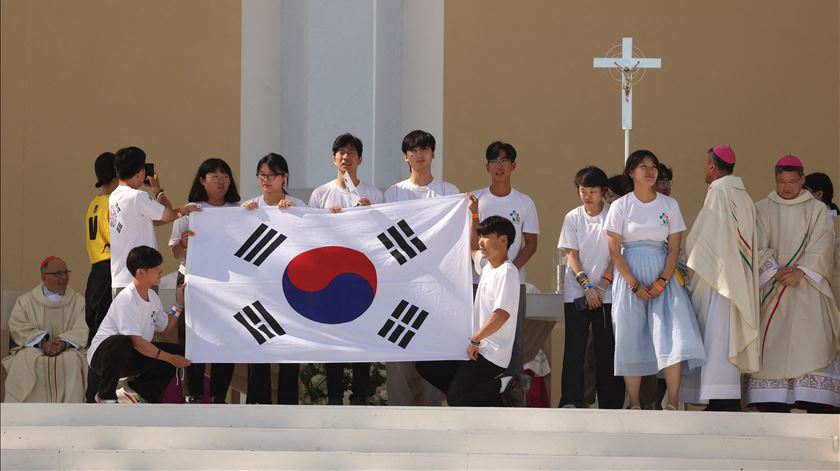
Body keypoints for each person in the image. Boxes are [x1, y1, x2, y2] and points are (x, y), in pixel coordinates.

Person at [604, 149, 705, 411]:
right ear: (630, 172)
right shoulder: (620, 206)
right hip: (630, 273)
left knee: (673, 332)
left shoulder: (669, 205)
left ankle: (672, 400)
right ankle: (635, 402)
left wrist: (662, 280)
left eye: (653, 167)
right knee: (631, 334)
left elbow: (674, 248)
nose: (649, 171)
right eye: (642, 166)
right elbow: (615, 249)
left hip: (663, 271)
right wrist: (633, 283)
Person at [745, 155, 840, 413]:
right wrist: (773, 271)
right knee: (772, 346)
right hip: (774, 286)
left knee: (811, 342)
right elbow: (756, 246)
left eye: (792, 182)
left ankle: (810, 399)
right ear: (775, 179)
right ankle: (772, 402)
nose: (787, 187)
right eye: (781, 181)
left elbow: (824, 245)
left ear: (802, 180)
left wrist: (801, 272)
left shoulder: (817, 210)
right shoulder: (761, 208)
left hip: (808, 287)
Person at [679, 146, 760, 411]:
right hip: (736, 277)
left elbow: (703, 238)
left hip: (719, 279)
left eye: (705, 164)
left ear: (712, 166)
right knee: (727, 338)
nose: (704, 168)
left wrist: (687, 253)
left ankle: (720, 400)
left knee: (717, 338)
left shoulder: (718, 192)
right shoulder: (743, 195)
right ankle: (725, 397)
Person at [383, 130, 458, 407]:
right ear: (406, 156)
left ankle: (433, 413)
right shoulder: (394, 193)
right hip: (401, 284)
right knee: (398, 349)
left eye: (425, 149)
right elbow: (384, 235)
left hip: (436, 285)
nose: (419, 154)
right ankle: (397, 414)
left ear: (433, 154)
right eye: (413, 150)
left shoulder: (448, 192)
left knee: (432, 350)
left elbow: (453, 234)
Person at [309, 133, 383, 405]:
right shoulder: (321, 193)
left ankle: (361, 395)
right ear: (333, 159)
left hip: (362, 275)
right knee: (334, 337)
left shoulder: (374, 194)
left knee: (362, 336)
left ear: (360, 159)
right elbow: (308, 232)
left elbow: (383, 235)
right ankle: (335, 396)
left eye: (351, 153)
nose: (346, 157)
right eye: (340, 152)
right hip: (330, 278)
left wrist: (370, 214)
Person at [417, 214, 520, 406]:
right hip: (476, 349)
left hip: (491, 355)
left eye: (486, 237)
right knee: (426, 365)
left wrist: (476, 338)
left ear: (503, 240)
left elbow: (501, 314)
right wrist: (473, 215)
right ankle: (490, 399)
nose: (481, 242)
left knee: (456, 398)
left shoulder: (507, 272)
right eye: (480, 236)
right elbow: (473, 249)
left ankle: (505, 384)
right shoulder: (488, 266)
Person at [170, 158, 241, 404]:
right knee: (192, 337)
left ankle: (219, 396)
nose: (221, 181)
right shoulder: (190, 210)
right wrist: (184, 243)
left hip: (226, 283)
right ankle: (192, 394)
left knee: (226, 337)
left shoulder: (237, 211)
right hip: (193, 280)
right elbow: (175, 252)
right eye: (215, 176)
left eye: (225, 176)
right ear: (202, 180)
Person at [471, 141, 539, 386]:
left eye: (504, 161)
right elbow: (471, 242)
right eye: (494, 162)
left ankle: (512, 389)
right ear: (487, 167)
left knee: (512, 337)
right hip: (478, 279)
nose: (499, 167)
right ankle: (479, 388)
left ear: (514, 166)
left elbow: (531, 242)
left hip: (512, 280)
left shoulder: (524, 202)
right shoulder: (476, 199)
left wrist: (509, 268)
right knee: (477, 333)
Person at [556, 166, 624, 409]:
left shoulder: (613, 215)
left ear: (602, 192)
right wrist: (586, 286)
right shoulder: (572, 217)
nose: (587, 197)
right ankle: (571, 400)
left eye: (593, 191)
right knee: (575, 349)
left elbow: (617, 254)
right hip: (578, 292)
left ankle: (611, 402)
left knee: (607, 350)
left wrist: (602, 286)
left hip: (607, 294)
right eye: (583, 191)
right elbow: (571, 255)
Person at [242, 153, 307, 404]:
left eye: (272, 175)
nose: (266, 180)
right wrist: (244, 215)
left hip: (291, 288)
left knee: (290, 348)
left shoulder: (298, 205)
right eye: (262, 175)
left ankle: (288, 403)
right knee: (259, 344)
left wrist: (297, 216)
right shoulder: (250, 207)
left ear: (284, 177)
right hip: (259, 289)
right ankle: (258, 402)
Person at [88, 246, 190, 403]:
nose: (161, 272)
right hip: (103, 357)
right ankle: (105, 395)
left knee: (179, 352)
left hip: (131, 354)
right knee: (122, 341)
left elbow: (166, 326)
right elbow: (135, 341)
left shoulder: (152, 297)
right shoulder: (127, 299)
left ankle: (136, 393)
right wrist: (170, 358)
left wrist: (179, 305)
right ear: (141, 272)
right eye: (156, 268)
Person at [109, 146, 200, 296]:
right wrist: (159, 191)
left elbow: (157, 220)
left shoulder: (114, 196)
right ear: (140, 172)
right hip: (140, 279)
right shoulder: (137, 196)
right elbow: (168, 215)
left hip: (121, 277)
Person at [3, 257, 88, 402]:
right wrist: (43, 343)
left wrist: (62, 343)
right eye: (58, 274)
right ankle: (27, 414)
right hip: (34, 347)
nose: (64, 278)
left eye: (66, 272)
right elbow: (18, 326)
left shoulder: (79, 301)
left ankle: (71, 414)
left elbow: (82, 327)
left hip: (67, 349)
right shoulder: (25, 301)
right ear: (44, 277)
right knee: (24, 360)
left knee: (73, 360)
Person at [84, 151, 118, 403]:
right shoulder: (114, 203)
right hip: (110, 269)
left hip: (95, 272)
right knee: (108, 337)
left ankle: (91, 393)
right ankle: (101, 393)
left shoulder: (94, 203)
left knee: (96, 334)